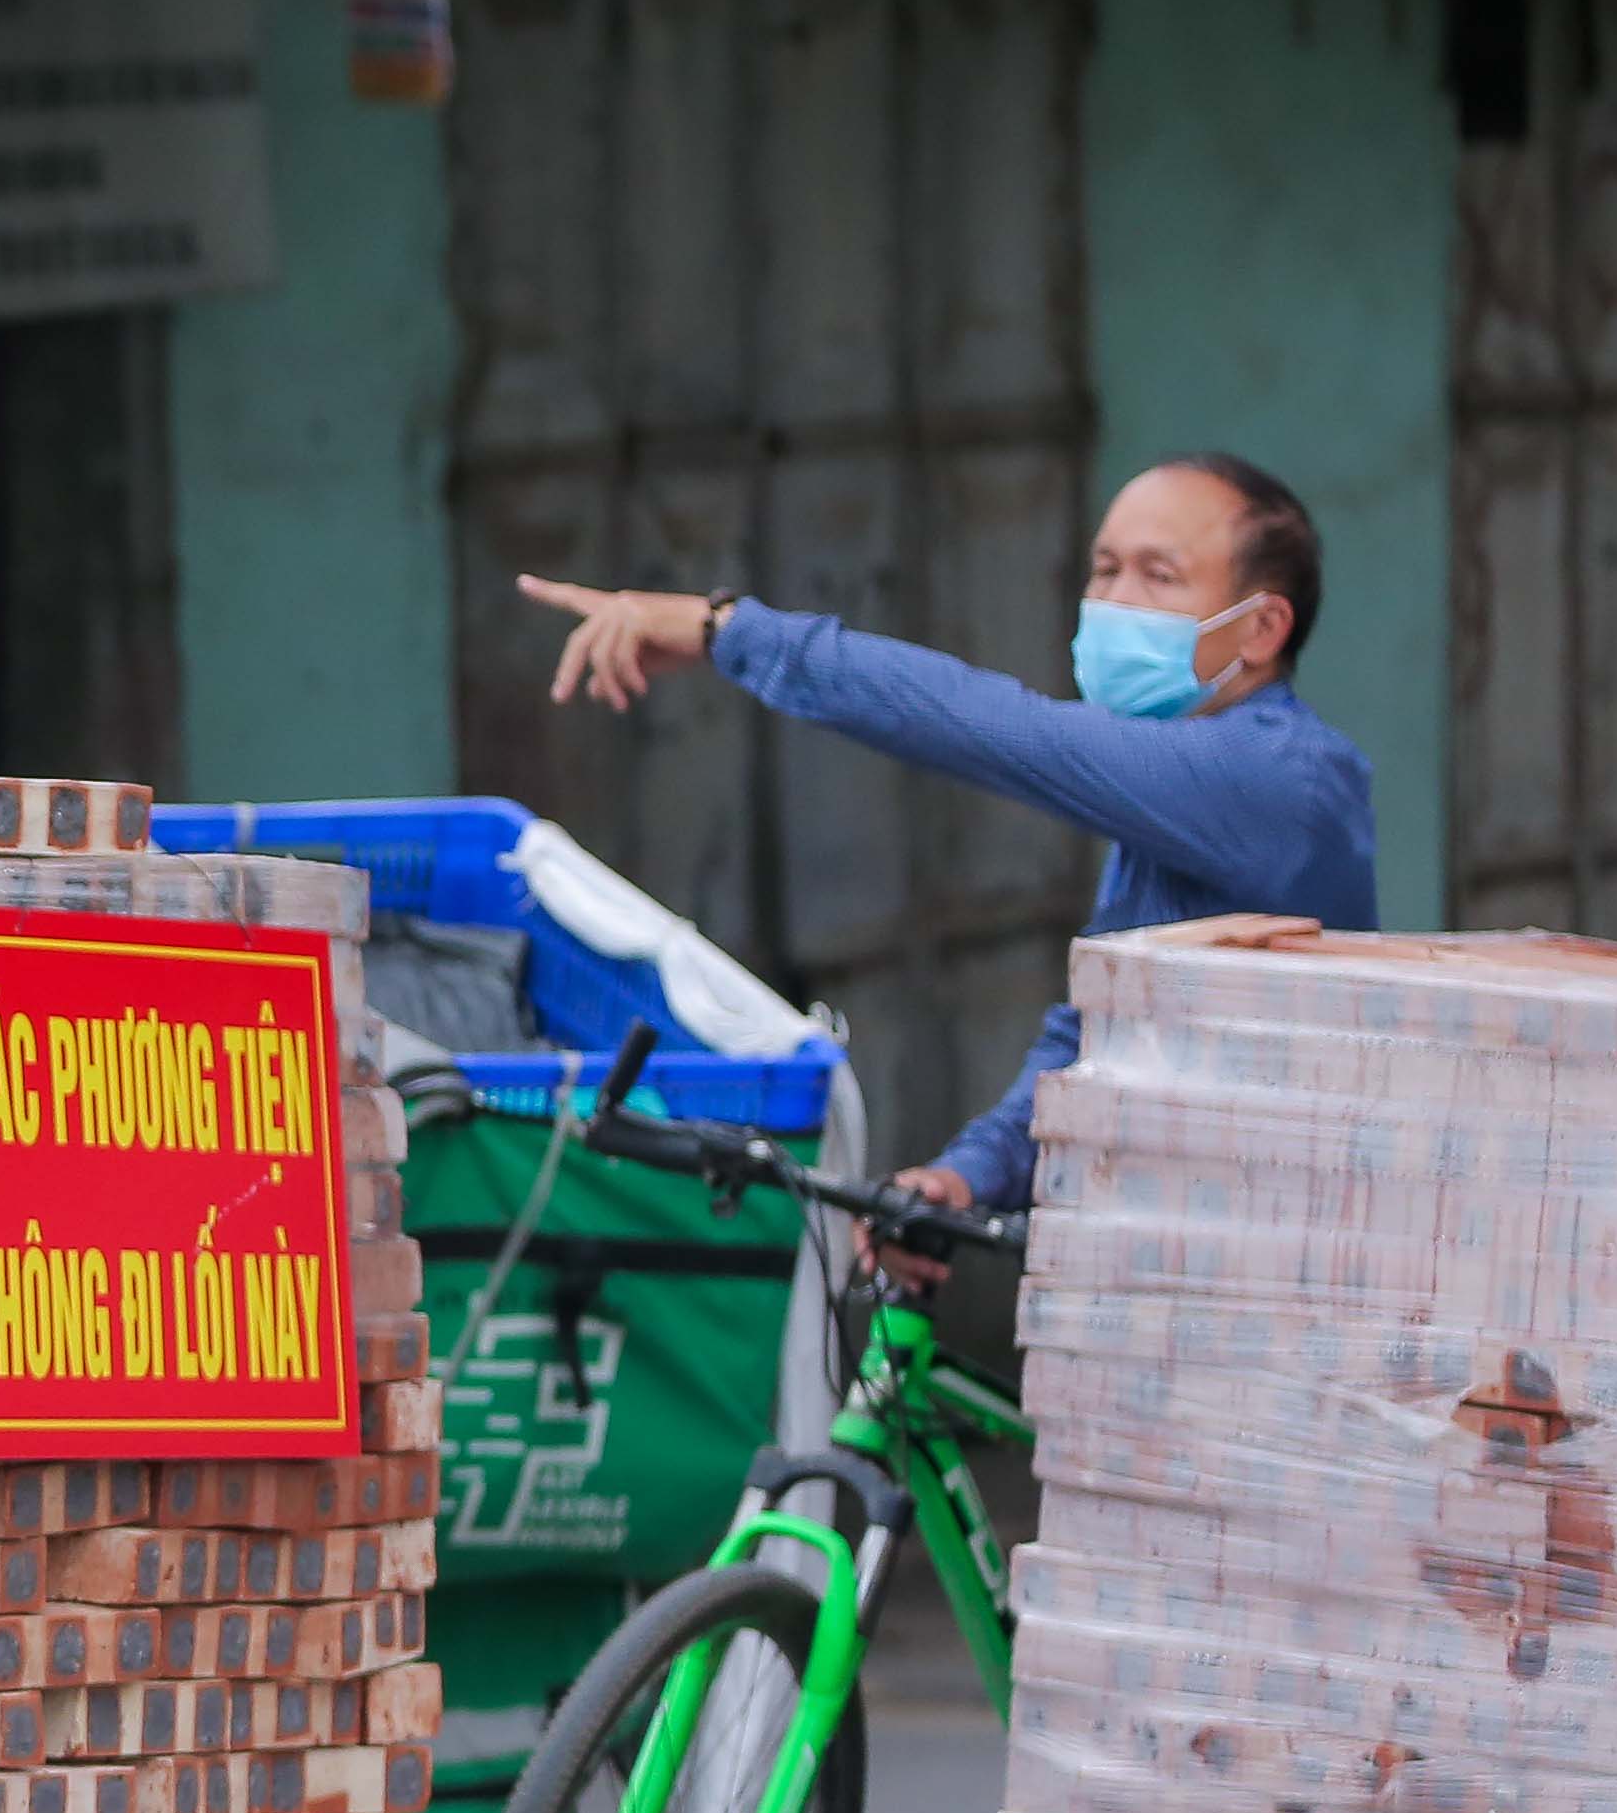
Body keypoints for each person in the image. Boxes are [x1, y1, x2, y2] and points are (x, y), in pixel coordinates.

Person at [513, 453, 1376, 1243]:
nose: (1113, 602)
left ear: (1259, 630)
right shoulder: (1171, 792)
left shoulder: (1278, 781)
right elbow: (1093, 1038)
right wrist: (968, 1177)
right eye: (1103, 569)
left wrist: (726, 629)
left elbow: (1001, 731)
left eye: (1158, 576)